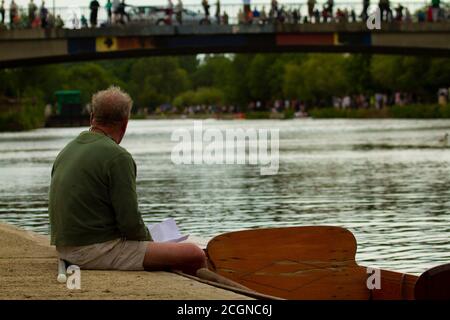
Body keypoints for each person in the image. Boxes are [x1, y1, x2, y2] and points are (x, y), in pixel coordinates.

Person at [49, 87, 207, 274]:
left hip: (65, 249)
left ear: (92, 117)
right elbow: (130, 224)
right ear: (125, 123)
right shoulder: (118, 157)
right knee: (194, 253)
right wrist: (154, 244)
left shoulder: (67, 150)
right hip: (93, 251)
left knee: (170, 252)